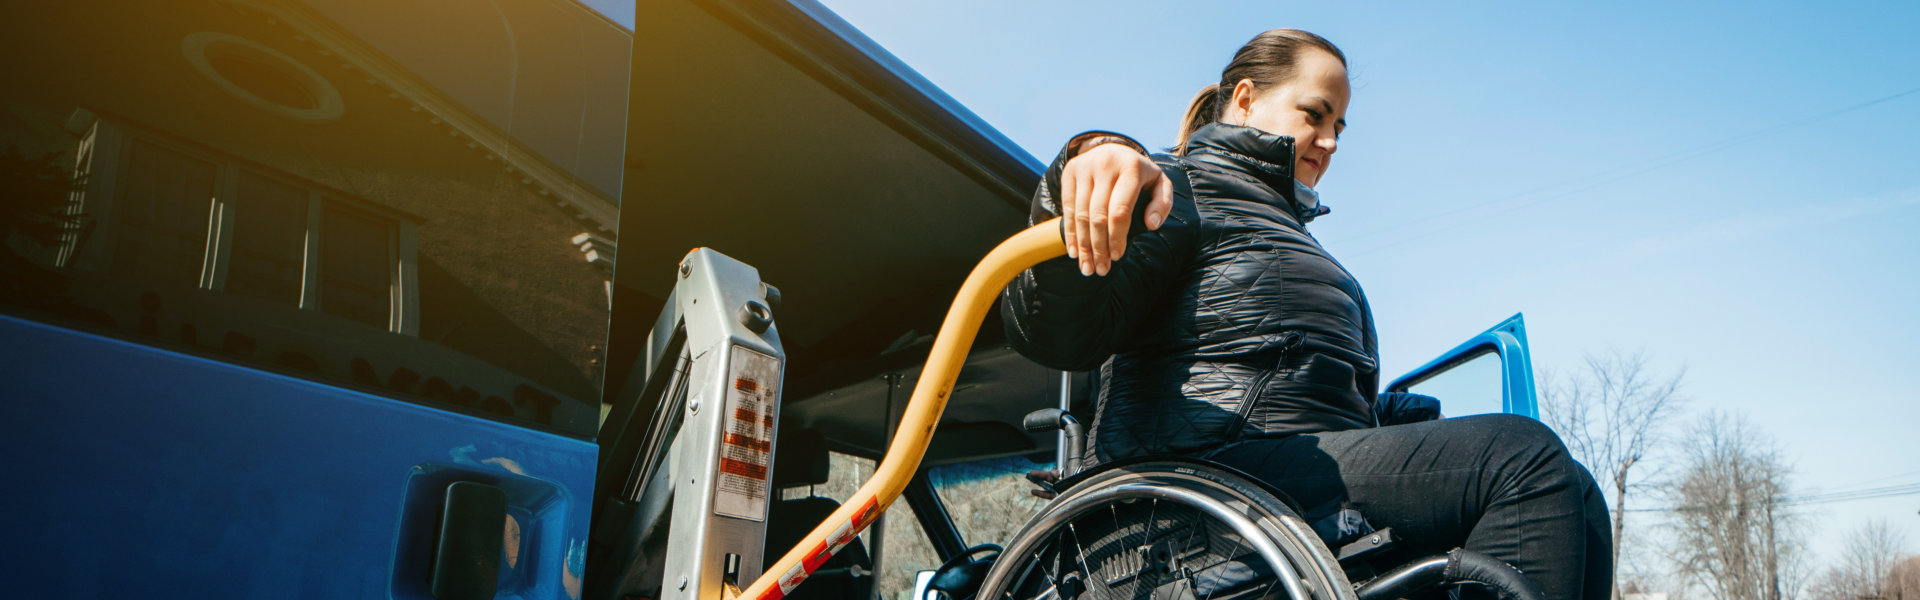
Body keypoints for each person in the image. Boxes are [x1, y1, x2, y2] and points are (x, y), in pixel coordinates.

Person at [999, 29, 1612, 599]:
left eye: (1340, 125)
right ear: (1244, 100)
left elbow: (1273, 361)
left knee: (1580, 496)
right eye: (1315, 115)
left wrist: (1386, 414)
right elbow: (1057, 329)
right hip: (1194, 495)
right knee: (1521, 459)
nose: (1331, 141)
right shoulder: (1177, 189)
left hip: (1284, 471)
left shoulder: (1281, 226)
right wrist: (1089, 162)